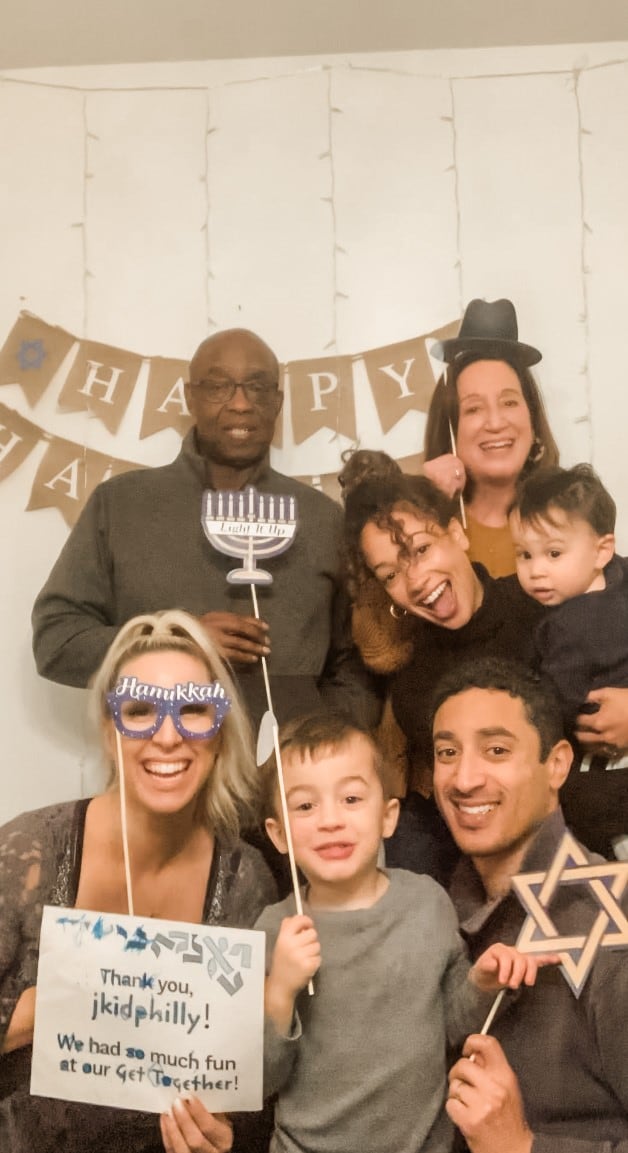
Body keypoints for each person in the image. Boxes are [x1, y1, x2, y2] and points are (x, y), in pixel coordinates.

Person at [0, 609, 276, 1153]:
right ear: (110, 732)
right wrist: (49, 1009)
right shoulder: (27, 854)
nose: (168, 736)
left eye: (194, 710)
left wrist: (223, 1138)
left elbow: (246, 1081)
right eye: (141, 711)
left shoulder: (247, 880)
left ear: (220, 733)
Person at [32, 328, 380, 733]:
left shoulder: (321, 518)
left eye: (258, 387)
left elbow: (358, 660)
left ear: (278, 402)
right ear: (189, 397)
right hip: (164, 763)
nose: (240, 403)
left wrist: (322, 735)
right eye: (218, 386)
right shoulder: (121, 505)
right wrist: (175, 639)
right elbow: (57, 641)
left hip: (289, 781)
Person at [255, 712, 555, 1153]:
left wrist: (483, 983)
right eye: (305, 806)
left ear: (388, 817)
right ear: (278, 834)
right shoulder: (272, 931)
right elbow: (258, 1082)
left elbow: (451, 1024)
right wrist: (279, 991)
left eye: (352, 799)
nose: (330, 820)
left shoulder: (426, 902)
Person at [430, 656, 628, 1153]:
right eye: (446, 752)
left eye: (496, 750)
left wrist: (520, 1146)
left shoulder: (614, 925)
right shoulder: (428, 913)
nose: (464, 779)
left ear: (557, 764)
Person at [343, 470, 542, 880]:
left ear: (458, 534)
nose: (414, 581)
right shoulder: (415, 685)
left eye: (420, 549)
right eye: (391, 575)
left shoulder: (538, 607)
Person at [509, 463, 628, 858]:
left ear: (601, 550)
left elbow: (556, 700)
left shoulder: (570, 626)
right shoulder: (619, 578)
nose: (535, 571)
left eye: (554, 553)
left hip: (607, 775)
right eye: (524, 554)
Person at [424, 297, 559, 579]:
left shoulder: (570, 517)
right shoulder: (427, 524)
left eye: (509, 403)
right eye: (473, 409)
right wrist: (423, 507)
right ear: (450, 428)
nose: (496, 423)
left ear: (533, 420)